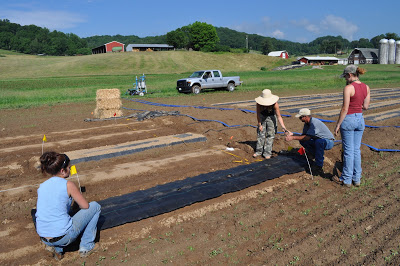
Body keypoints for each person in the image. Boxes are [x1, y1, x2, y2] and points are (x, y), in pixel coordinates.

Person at [35, 151, 101, 260]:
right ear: (62, 170)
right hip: (64, 237)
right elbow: (85, 206)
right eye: (69, 168)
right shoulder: (68, 185)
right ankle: (87, 246)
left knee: (60, 216)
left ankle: (57, 249)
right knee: (95, 206)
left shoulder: (42, 186)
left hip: (43, 236)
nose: (70, 169)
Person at [333, 65, 370, 187]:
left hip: (348, 120)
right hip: (360, 119)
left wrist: (338, 124)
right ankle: (357, 178)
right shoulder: (366, 87)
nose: (345, 79)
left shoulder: (348, 88)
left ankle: (347, 179)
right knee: (356, 150)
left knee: (348, 151)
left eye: (345, 77)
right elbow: (365, 107)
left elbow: (345, 108)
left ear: (349, 75)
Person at [285, 108, 335, 175]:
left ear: (305, 117)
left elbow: (307, 137)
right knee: (303, 141)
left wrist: (292, 138)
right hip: (318, 140)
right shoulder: (307, 124)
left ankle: (319, 166)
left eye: (300, 117)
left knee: (318, 142)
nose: (300, 119)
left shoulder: (314, 123)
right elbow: (303, 136)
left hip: (328, 142)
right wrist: (293, 134)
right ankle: (314, 154)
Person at [253, 89, 290, 159]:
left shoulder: (275, 104)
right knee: (261, 134)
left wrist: (283, 127)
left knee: (270, 135)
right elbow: (258, 114)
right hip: (262, 117)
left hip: (271, 118)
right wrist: (260, 124)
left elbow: (279, 116)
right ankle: (258, 151)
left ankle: (267, 153)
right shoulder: (259, 104)